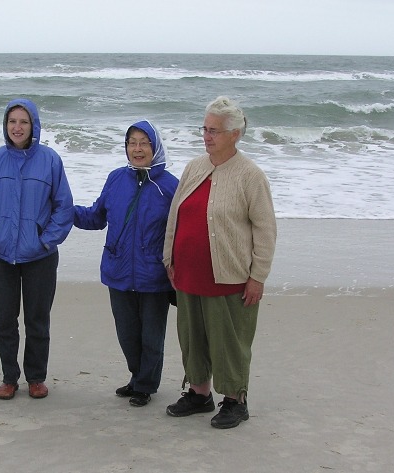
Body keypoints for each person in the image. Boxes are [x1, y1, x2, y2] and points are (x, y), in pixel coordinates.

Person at [162, 96, 277, 429]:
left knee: (230, 342)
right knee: (192, 338)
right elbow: (176, 215)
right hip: (188, 274)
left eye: (214, 131)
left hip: (229, 276)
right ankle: (199, 394)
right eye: (205, 129)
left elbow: (266, 229)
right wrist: (169, 257)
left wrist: (258, 276)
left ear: (235, 134)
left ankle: (235, 401)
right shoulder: (194, 167)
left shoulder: (250, 176)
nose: (206, 136)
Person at [0, 98, 74, 400]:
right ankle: (9, 377)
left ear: (34, 126)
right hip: (0, 253)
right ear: (6, 126)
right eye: (12, 121)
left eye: (24, 122)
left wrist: (47, 239)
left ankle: (36, 377)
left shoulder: (50, 160)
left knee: (37, 319)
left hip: (39, 255)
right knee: (4, 319)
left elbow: (63, 206)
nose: (17, 127)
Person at [73, 120, 178, 407]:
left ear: (155, 147)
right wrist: (65, 210)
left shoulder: (169, 186)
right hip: (118, 269)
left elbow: (181, 231)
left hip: (153, 275)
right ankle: (136, 376)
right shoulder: (116, 178)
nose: (137, 148)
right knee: (127, 334)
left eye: (144, 142)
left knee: (151, 336)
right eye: (132, 142)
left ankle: (145, 385)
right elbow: (96, 216)